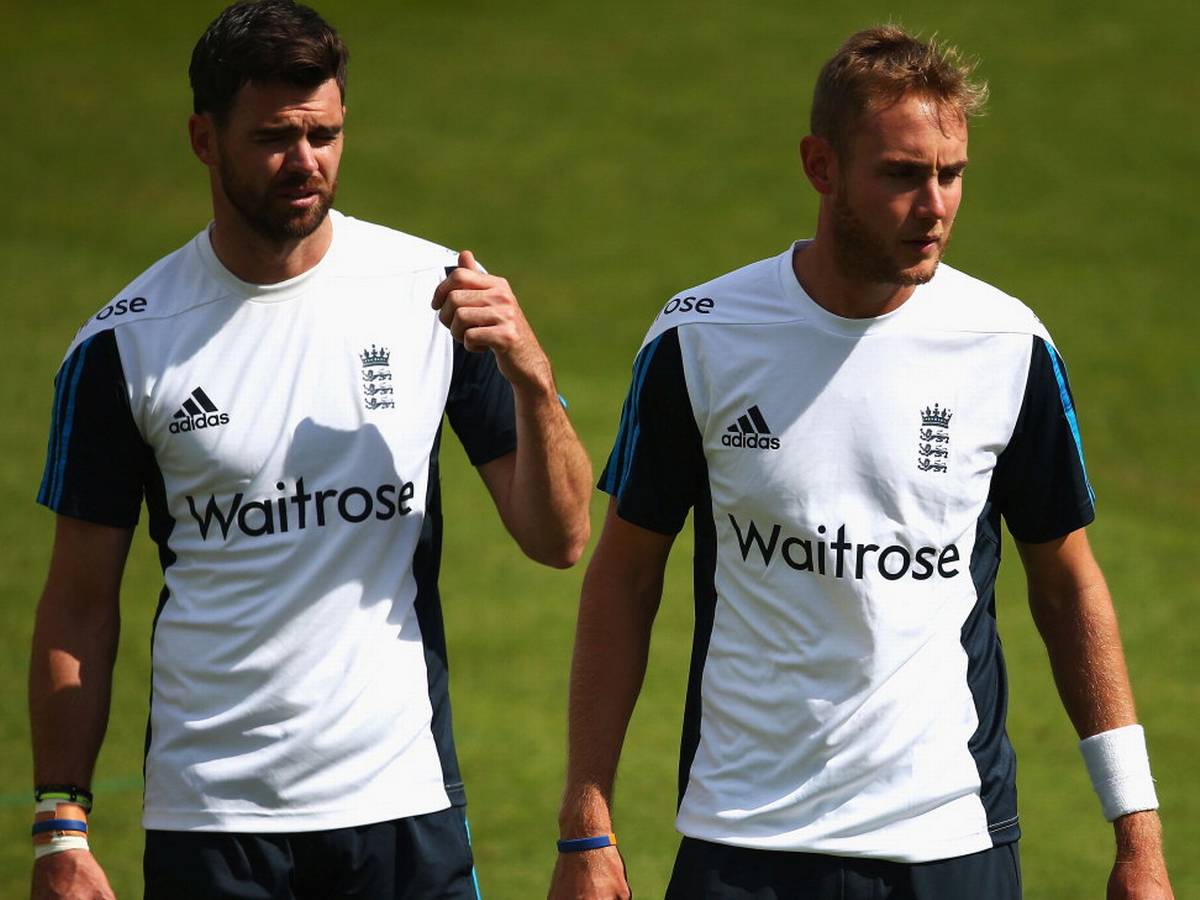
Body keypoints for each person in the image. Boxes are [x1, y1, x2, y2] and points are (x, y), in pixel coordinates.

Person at [549, 26, 1172, 900]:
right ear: (821, 166)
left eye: (951, 175)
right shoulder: (702, 337)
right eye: (902, 175)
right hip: (746, 842)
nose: (936, 208)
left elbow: (1069, 586)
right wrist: (587, 823)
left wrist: (1136, 833)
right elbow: (623, 581)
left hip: (951, 838)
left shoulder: (1007, 345)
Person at [29, 2, 592, 897]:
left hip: (401, 804)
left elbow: (559, 538)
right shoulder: (125, 346)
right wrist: (62, 823)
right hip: (214, 820)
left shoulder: (431, 295)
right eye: (274, 138)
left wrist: (531, 374)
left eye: (324, 134)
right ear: (203, 140)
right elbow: (78, 606)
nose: (305, 163)